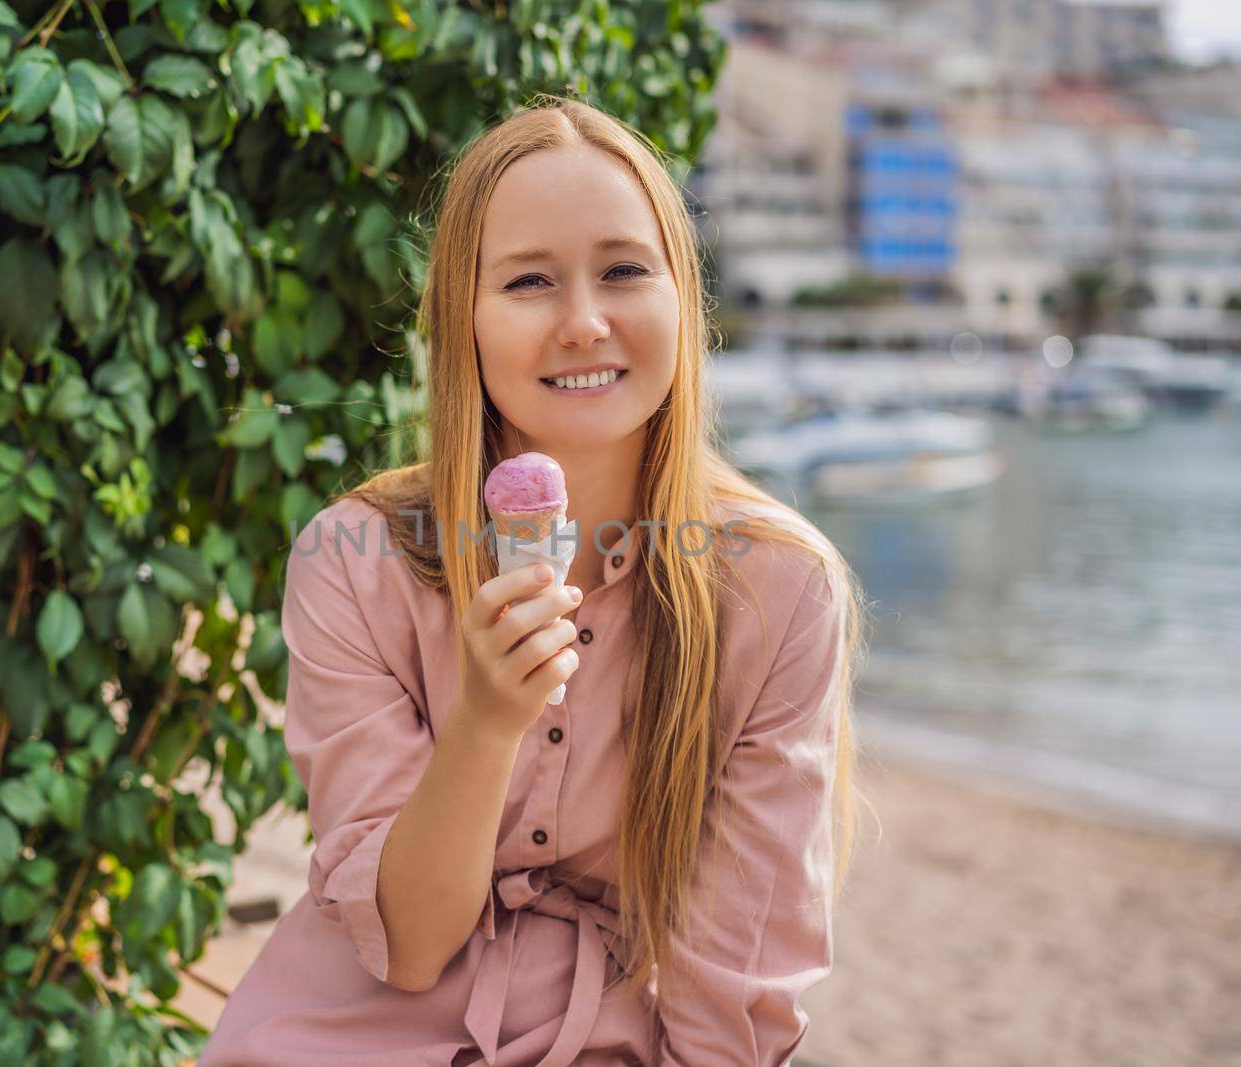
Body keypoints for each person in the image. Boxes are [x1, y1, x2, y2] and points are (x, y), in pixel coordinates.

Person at [200, 94, 869, 1067]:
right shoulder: (352, 558)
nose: (584, 321)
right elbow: (411, 943)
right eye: (527, 281)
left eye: (624, 270)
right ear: (459, 320)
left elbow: (734, 985)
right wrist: (483, 720)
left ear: (683, 296)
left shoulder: (780, 588)